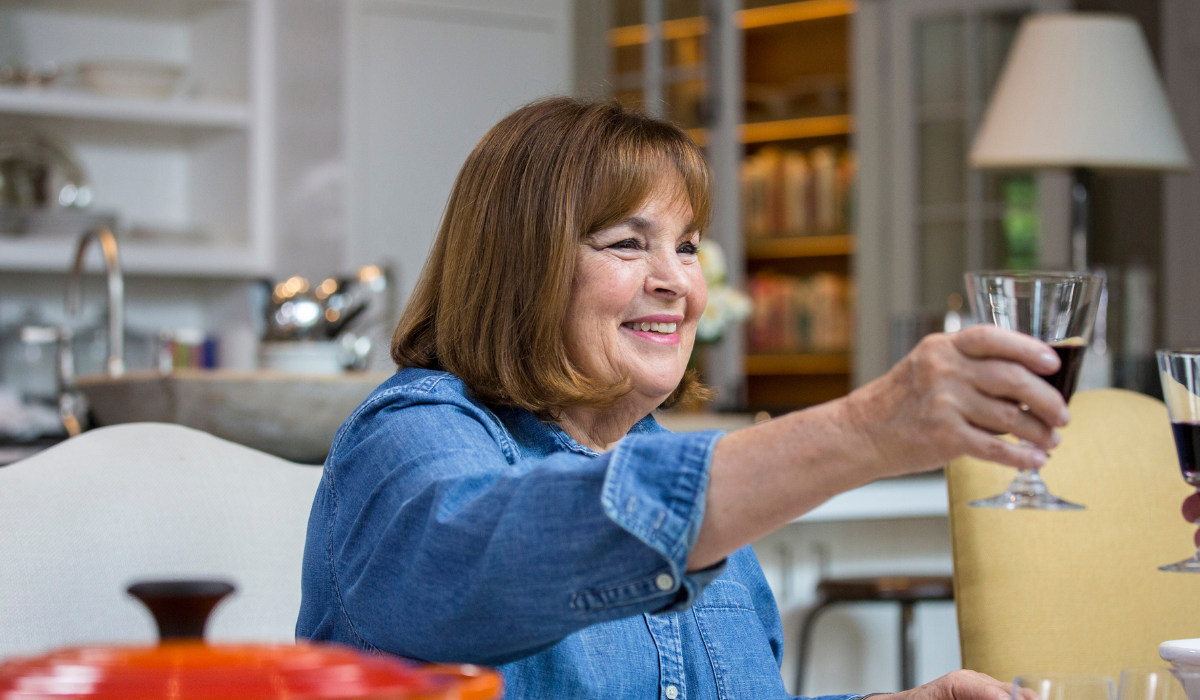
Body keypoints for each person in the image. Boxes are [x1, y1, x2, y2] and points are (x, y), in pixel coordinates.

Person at [296, 98, 1069, 700]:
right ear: (519, 268)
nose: (676, 281)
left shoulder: (667, 465)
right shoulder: (411, 438)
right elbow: (473, 571)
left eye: (688, 245)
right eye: (628, 244)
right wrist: (869, 429)